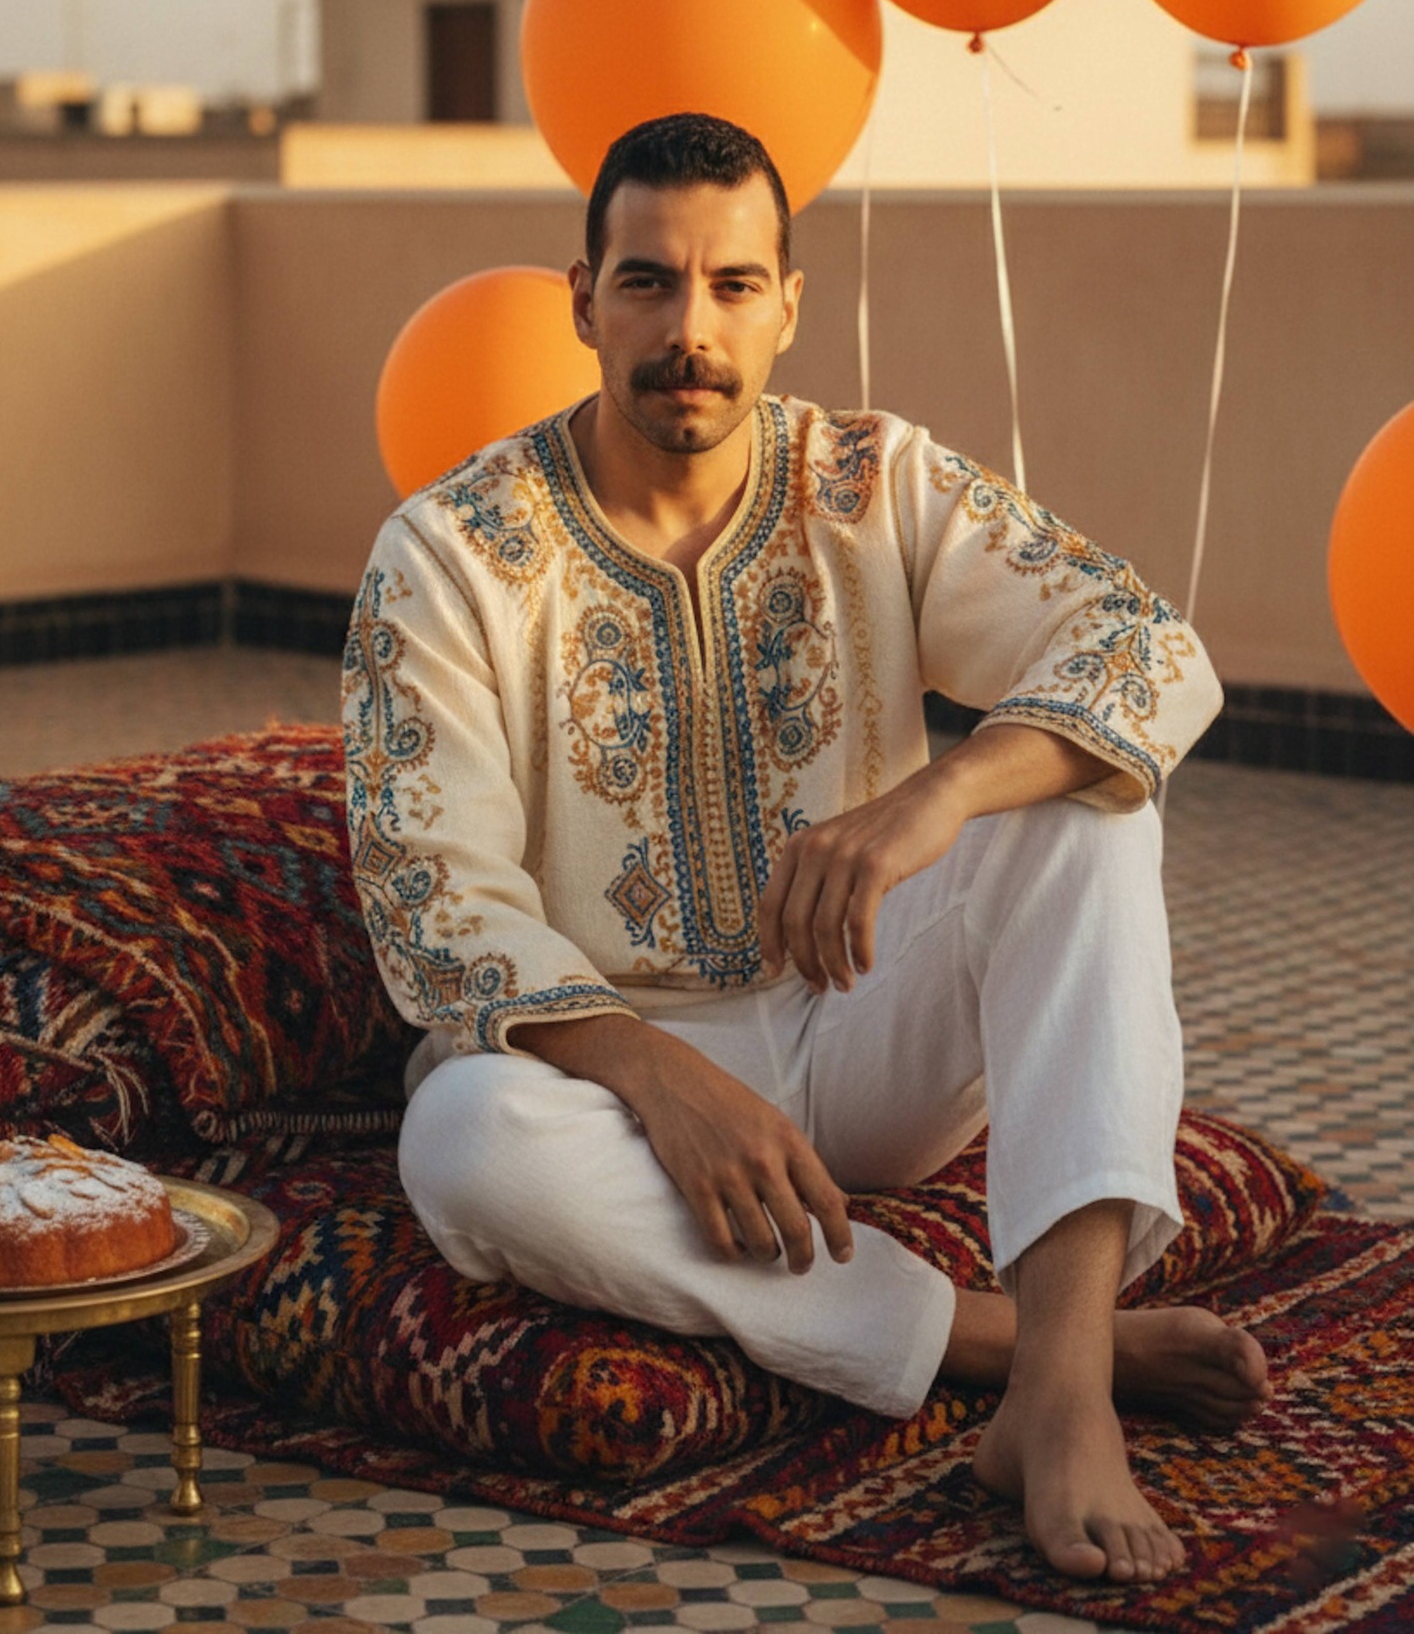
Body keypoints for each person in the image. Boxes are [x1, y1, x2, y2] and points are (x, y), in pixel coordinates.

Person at [342, 112, 1271, 1587]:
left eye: (728, 287)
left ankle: (1071, 1396)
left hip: (868, 1022)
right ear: (580, 298)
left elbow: (1150, 650)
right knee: (462, 1143)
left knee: (1089, 821)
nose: (686, 331)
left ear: (787, 300)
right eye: (646, 283)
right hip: (621, 1086)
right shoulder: (455, 553)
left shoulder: (874, 481)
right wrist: (665, 1078)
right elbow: (431, 899)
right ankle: (1006, 1344)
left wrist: (938, 797)